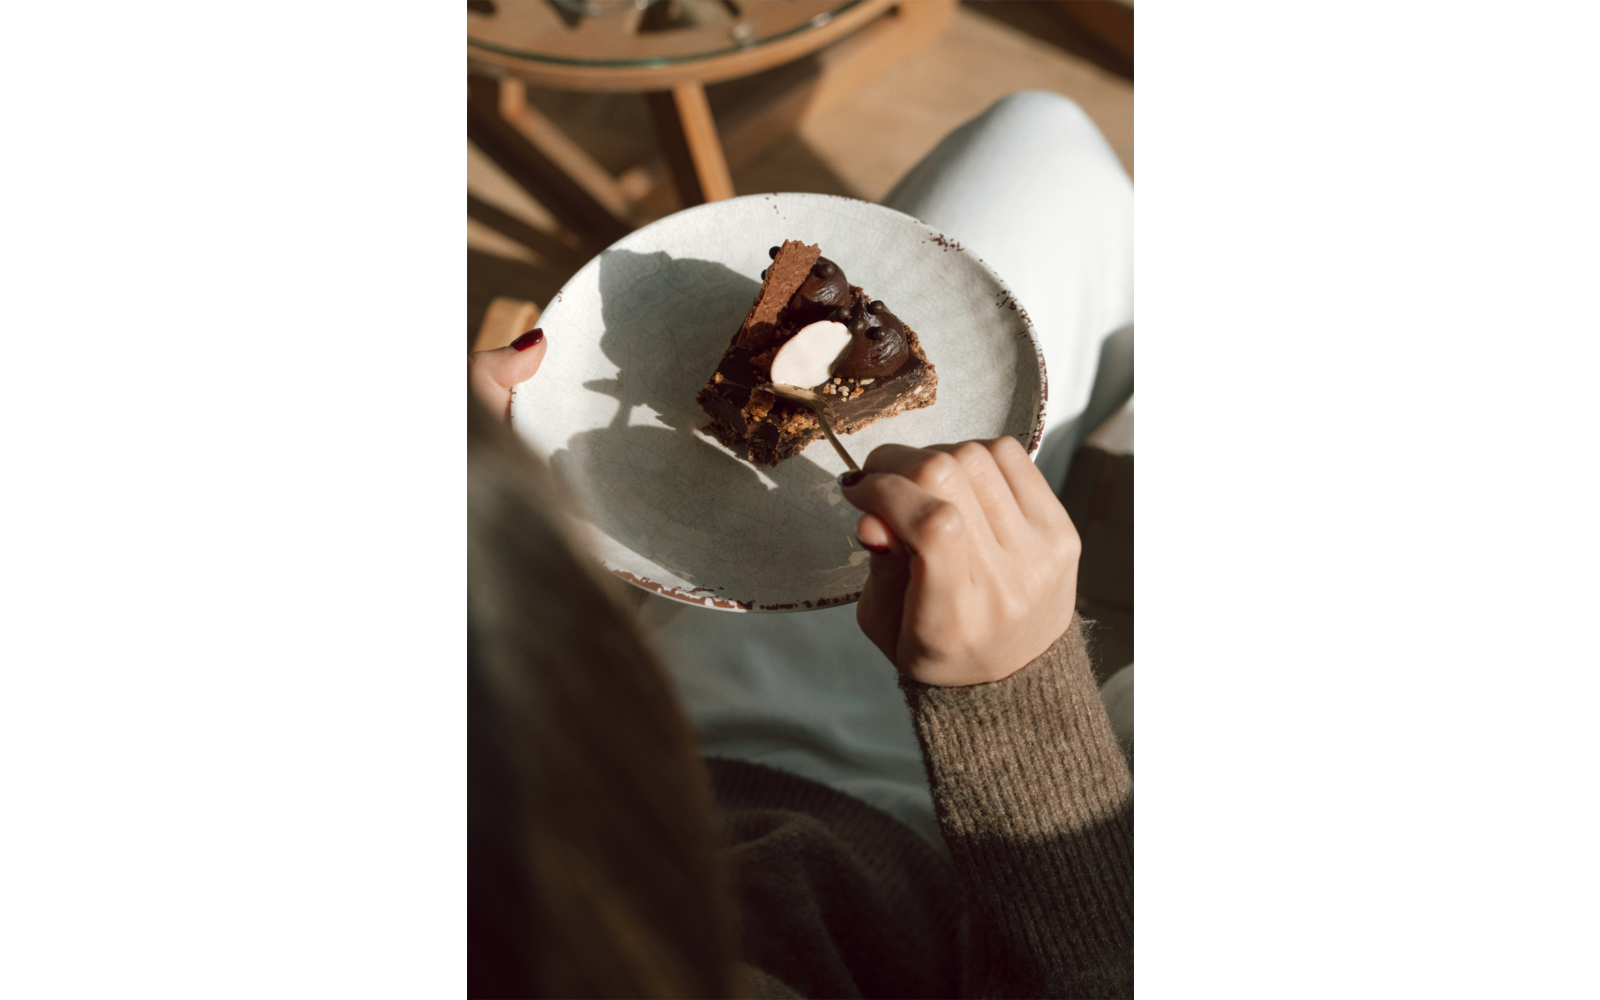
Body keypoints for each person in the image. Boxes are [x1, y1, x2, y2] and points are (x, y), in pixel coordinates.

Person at [468, 91, 1134, 998]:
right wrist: (1014, 710)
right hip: (977, 875)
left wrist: (494, 533)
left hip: (658, 760)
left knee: (1040, 138)